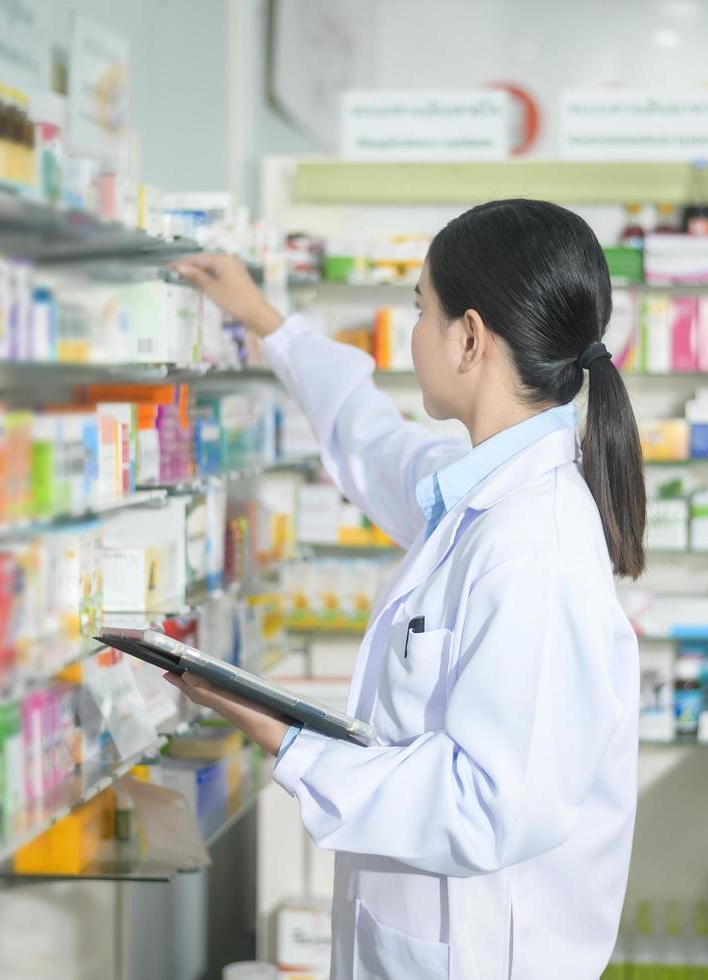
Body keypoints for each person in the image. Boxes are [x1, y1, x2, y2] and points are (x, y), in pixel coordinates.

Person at [169, 199, 643, 979]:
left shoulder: (534, 548)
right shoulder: (480, 493)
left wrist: (282, 738)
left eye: (419, 310)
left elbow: (487, 806)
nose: (413, 332)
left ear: (467, 338)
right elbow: (374, 443)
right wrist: (264, 320)